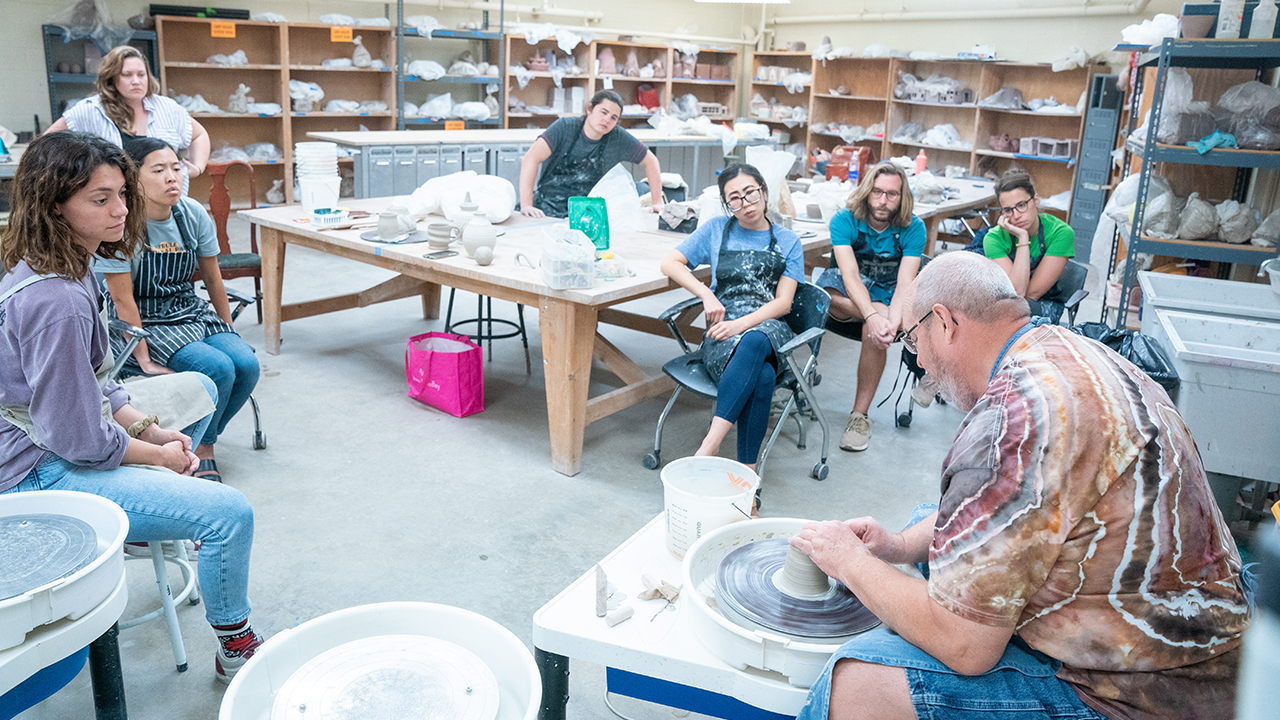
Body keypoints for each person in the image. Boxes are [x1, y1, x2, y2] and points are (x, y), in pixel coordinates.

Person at [790, 251, 1250, 720]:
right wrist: (899, 545)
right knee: (925, 530)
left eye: (913, 340)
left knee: (855, 681)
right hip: (1206, 637)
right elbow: (1012, 508)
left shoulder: (1009, 425)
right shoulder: (1066, 349)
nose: (919, 362)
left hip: (1145, 693)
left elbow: (966, 648)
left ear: (946, 323)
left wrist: (848, 562)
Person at [0, 131, 263, 683]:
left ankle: (144, 515)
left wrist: (147, 428)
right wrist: (153, 456)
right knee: (228, 513)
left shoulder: (68, 265)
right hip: (29, 474)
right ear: (54, 206)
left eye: (122, 193)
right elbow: (77, 439)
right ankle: (236, 646)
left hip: (45, 438)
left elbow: (98, 383)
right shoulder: (57, 299)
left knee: (202, 391)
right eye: (101, 199)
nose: (122, 209)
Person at [98, 136, 260, 484]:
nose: (173, 177)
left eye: (176, 168)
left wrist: (228, 329)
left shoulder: (191, 214)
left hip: (188, 308)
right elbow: (122, 299)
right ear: (134, 179)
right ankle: (203, 452)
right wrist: (141, 356)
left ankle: (202, 437)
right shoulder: (121, 223)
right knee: (216, 368)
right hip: (147, 318)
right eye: (159, 170)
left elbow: (214, 280)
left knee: (245, 364)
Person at [659, 164, 805, 470]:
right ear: (727, 204)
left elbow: (784, 303)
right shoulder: (715, 229)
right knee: (763, 377)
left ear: (764, 191)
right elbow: (670, 263)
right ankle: (748, 480)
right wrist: (707, 294)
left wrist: (740, 324)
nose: (745, 204)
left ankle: (708, 446)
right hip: (722, 332)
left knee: (754, 340)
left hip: (769, 327)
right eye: (734, 199)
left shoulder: (788, 240)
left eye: (750, 193)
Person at [814, 163, 925, 452]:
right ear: (866, 191)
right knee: (822, 296)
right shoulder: (844, 220)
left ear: (902, 197)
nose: (883, 200)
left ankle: (859, 416)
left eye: (891, 194)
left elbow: (905, 283)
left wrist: (886, 321)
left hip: (891, 295)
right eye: (877, 192)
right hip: (851, 296)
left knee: (873, 332)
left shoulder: (914, 227)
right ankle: (888, 321)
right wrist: (874, 313)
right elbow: (849, 275)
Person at [46, 45, 210, 196]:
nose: (136, 81)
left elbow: (199, 135)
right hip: (119, 208)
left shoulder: (167, 108)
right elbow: (47, 142)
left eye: (141, 74)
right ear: (111, 78)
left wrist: (198, 167)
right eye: (127, 75)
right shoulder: (91, 110)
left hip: (168, 207)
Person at [519, 90, 663, 218]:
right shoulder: (564, 128)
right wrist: (527, 205)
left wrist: (657, 202)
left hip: (588, 214)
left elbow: (651, 161)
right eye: (603, 112)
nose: (607, 120)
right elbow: (531, 158)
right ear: (589, 109)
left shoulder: (617, 137)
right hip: (548, 209)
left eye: (614, 118)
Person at [983, 169, 1076, 323]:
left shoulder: (1060, 233)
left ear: (1036, 200)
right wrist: (1023, 236)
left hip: (1044, 303)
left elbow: (1027, 295)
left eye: (1021, 205)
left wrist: (1022, 238)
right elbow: (1014, 293)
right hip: (1008, 303)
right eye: (1008, 210)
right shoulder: (993, 238)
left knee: (1008, 317)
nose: (1016, 215)